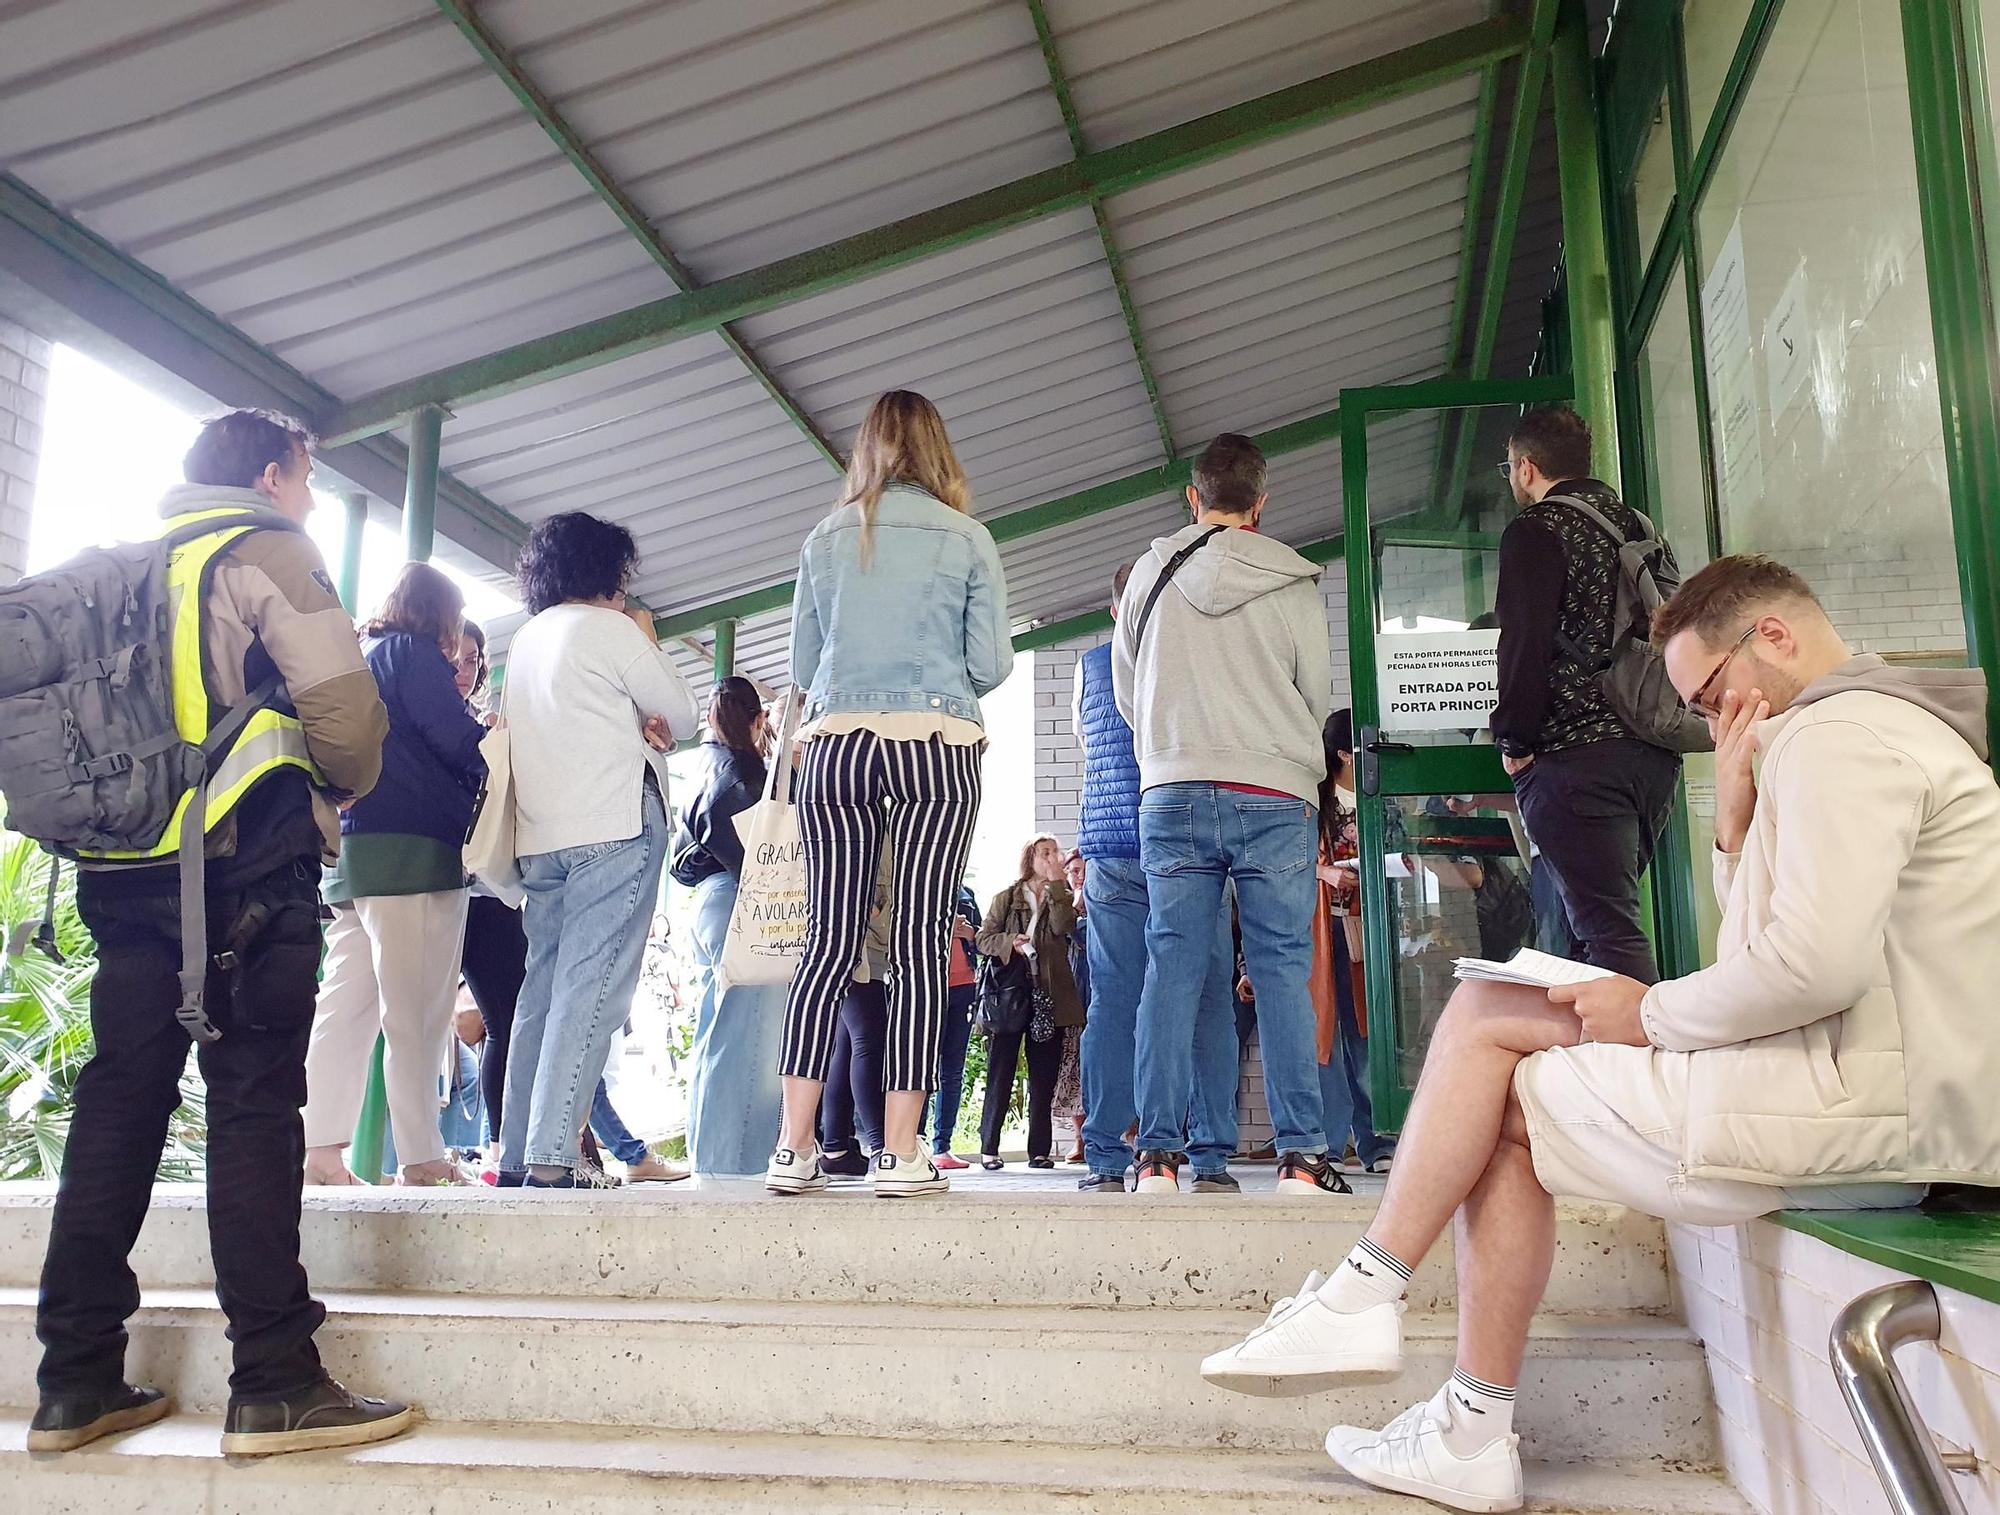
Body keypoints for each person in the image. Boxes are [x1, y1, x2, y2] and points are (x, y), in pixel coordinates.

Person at [1200, 555, 2000, 1512]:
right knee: (1492, 1019)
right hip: (1864, 1084)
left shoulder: (1841, 736)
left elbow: (1811, 971)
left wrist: (1649, 1013)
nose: (1709, 723)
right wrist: (1735, 830)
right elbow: (1788, 954)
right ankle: (1426, 1378)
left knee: (1491, 1051)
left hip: (1868, 1106)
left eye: (1708, 693)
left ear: (1774, 637)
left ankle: (1394, 1332)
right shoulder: (1857, 729)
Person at [30, 408, 410, 1456]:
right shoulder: (268, 551)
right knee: (250, 1108)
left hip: (123, 875)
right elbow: (347, 722)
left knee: (120, 1100)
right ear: (275, 473)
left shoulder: (131, 569)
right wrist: (336, 783)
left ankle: (74, 1380)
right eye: (306, 478)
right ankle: (275, 1379)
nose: (307, 497)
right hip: (245, 873)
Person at [768, 390, 1010, 1199]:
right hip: (934, 748)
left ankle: (793, 1146)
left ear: (867, 449)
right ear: (938, 449)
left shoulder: (824, 538)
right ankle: (900, 1152)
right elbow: (992, 664)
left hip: (834, 749)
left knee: (826, 945)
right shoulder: (967, 537)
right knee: (915, 948)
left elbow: (804, 670)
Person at [1112, 432, 1339, 1196]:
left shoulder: (1147, 575)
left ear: (1193, 496)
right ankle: (1302, 1157)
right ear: (1261, 503)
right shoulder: (1295, 584)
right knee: (1280, 970)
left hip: (1172, 787)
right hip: (1275, 792)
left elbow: (1126, 694)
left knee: (1171, 967)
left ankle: (1157, 1160)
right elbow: (1316, 700)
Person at [499, 512, 699, 1188]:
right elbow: (684, 712)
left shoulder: (527, 639)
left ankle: (518, 1155)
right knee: (591, 997)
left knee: (541, 993)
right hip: (612, 825)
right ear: (606, 572)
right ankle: (554, 1157)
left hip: (540, 837)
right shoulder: (611, 629)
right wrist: (646, 640)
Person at [302, 563, 487, 1187]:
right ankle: (422, 1157)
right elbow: (457, 742)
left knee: (346, 1006)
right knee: (419, 1013)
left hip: (356, 857)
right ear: (441, 616)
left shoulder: (364, 653)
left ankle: (321, 1153)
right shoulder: (413, 654)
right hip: (415, 854)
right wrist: (499, 742)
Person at [1490, 405, 1683, 982]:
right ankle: (1598, 1063)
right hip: (1651, 752)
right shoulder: (1638, 527)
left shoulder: (1537, 529)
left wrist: (1515, 739)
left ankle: (1637, 1068)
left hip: (1576, 758)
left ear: (1526, 468)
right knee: (1593, 931)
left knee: (1605, 937)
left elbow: (1522, 643)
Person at [1074, 565, 1241, 1194]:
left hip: (1113, 847)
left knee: (1113, 1000)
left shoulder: (1089, 666)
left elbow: (1091, 750)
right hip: (1191, 843)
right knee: (1204, 999)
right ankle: (1210, 1155)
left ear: (1117, 610)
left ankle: (1104, 1159)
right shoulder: (1197, 652)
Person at [675, 677, 786, 1177]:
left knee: (716, 1033)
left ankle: (712, 1157)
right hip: (745, 901)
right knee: (750, 1038)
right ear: (759, 720)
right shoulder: (747, 771)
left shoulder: (703, 765)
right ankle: (738, 1162)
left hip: (707, 900)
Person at [975, 836, 1082, 1170]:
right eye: (1044, 852)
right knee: (1001, 1070)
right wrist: (1011, 943)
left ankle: (1039, 1150)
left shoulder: (1060, 894)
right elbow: (983, 939)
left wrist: (1058, 888)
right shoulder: (1006, 898)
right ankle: (989, 1148)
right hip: (1011, 994)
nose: (1052, 858)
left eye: (1054, 852)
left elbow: (1066, 927)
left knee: (1043, 1075)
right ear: (1030, 858)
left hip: (1050, 995)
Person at [1316, 712, 1391, 1175]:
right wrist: (1326, 872)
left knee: (1368, 1035)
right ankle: (1328, 1141)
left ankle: (1375, 1141)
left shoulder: (1377, 795)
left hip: (1372, 926)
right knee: (1330, 1035)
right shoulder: (1317, 800)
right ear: (1345, 753)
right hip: (1327, 929)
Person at [819, 847, 895, 1176]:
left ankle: (836, 1148)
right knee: (867, 1041)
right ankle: (881, 1147)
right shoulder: (869, 814)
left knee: (846, 1046)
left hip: (843, 942)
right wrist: (877, 907)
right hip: (864, 947)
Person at [926, 882, 982, 1170]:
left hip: (964, 987)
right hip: (928, 985)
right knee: (921, 1067)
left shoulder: (966, 893)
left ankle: (942, 1146)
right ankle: (914, 1139)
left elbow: (984, 939)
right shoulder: (920, 885)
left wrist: (969, 933)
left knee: (952, 1069)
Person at [1057, 849, 1089, 1163]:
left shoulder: (1108, 903)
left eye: (1082, 870)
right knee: (1074, 1067)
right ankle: (1080, 1138)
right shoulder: (1062, 907)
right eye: (1074, 871)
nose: (1078, 876)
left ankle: (1129, 1133)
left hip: (1101, 992)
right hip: (1072, 996)